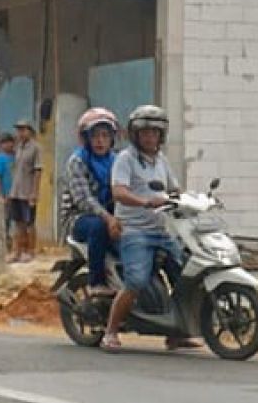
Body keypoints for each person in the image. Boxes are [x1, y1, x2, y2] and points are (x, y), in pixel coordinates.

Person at [102, 105, 198, 352]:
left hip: (161, 230)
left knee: (186, 272)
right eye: (145, 133)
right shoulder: (126, 159)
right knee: (136, 280)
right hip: (134, 230)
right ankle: (110, 331)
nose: (150, 137)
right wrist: (145, 201)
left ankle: (176, 333)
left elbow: (174, 189)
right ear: (135, 135)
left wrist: (190, 200)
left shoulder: (161, 160)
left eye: (155, 132)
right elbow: (119, 191)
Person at [60, 108, 122, 297]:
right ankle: (97, 282)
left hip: (112, 215)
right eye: (94, 136)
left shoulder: (117, 161)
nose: (100, 141)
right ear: (86, 139)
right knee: (98, 227)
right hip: (79, 218)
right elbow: (83, 200)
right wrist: (108, 218)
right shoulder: (77, 161)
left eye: (105, 135)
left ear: (112, 138)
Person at [8, 118, 43, 263]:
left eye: (23, 130)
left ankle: (30, 250)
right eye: (18, 130)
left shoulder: (36, 148)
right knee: (18, 223)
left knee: (29, 223)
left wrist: (34, 192)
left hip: (28, 191)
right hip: (16, 191)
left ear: (30, 131)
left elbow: (38, 170)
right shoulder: (18, 148)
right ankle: (17, 251)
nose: (20, 133)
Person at [0, 131, 15, 241]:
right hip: (5, 194)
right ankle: (4, 241)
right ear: (1, 145)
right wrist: (0, 194)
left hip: (15, 193)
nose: (9, 145)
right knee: (4, 219)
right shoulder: (0, 159)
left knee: (14, 220)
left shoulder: (16, 156)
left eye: (10, 142)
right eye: (5, 143)